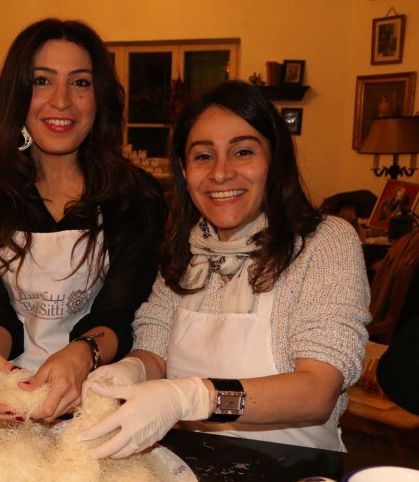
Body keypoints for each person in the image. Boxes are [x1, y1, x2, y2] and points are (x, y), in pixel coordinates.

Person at [78, 80, 371, 456]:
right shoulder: (186, 250)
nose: (220, 173)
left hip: (296, 477)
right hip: (193, 470)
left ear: (275, 160)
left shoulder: (325, 243)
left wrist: (192, 397)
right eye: (203, 156)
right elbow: (155, 347)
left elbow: (317, 390)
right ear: (185, 171)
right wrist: (128, 372)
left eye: (243, 151)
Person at [0, 19, 167, 423]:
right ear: (17, 95)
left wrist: (80, 354)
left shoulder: (135, 198)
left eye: (80, 83)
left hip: (104, 398)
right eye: (41, 80)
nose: (61, 101)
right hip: (10, 395)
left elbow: (119, 315)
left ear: (99, 99)